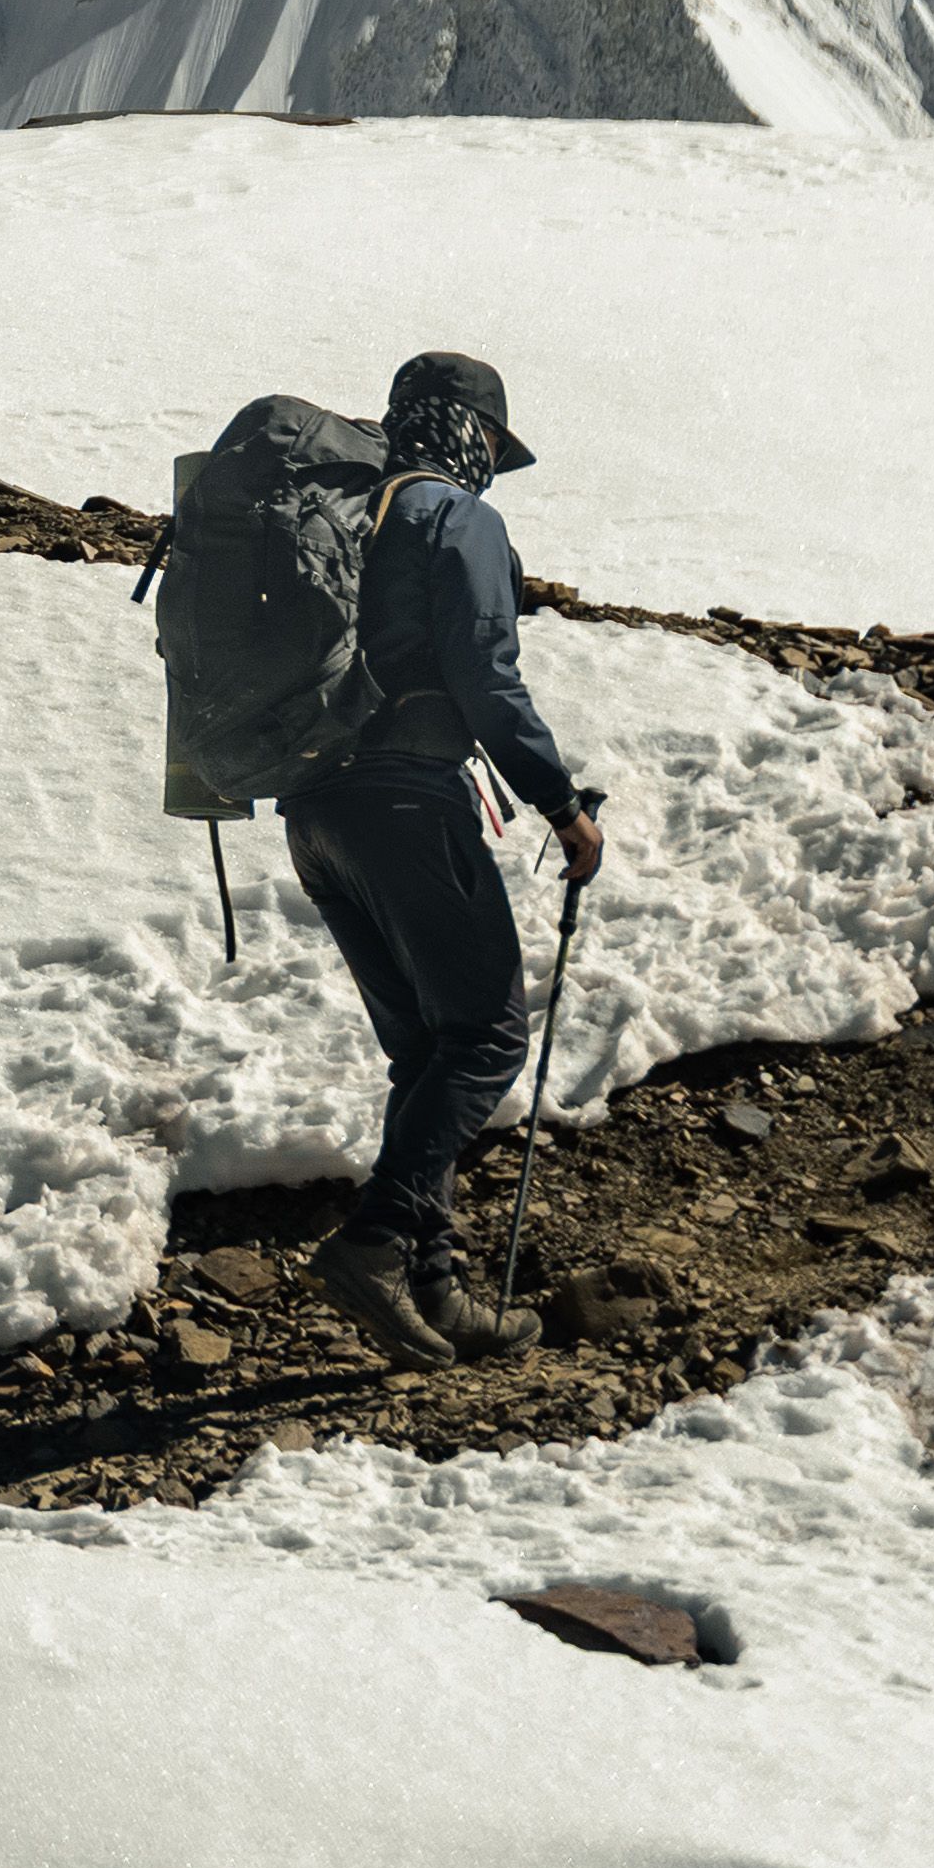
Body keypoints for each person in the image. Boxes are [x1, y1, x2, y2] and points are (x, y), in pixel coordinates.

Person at [280, 352, 616, 1367]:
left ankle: (437, 1286)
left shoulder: (342, 514)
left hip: (315, 811)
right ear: (469, 435)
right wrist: (558, 804)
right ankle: (379, 1240)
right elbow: (483, 670)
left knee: (426, 1054)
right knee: (481, 1040)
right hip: (405, 802)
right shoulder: (449, 518)